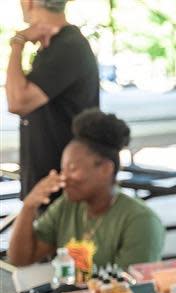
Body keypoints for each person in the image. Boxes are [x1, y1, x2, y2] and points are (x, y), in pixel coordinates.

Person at [8, 109, 165, 270]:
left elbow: (134, 289)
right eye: (63, 169)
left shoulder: (140, 221)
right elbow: (19, 258)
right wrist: (29, 206)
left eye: (72, 169)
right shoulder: (67, 206)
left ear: (105, 169)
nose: (64, 177)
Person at [6, 0, 99, 199]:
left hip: (63, 186)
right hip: (48, 181)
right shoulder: (53, 46)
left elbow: (17, 101)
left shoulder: (68, 47)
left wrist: (17, 42)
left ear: (29, 2)